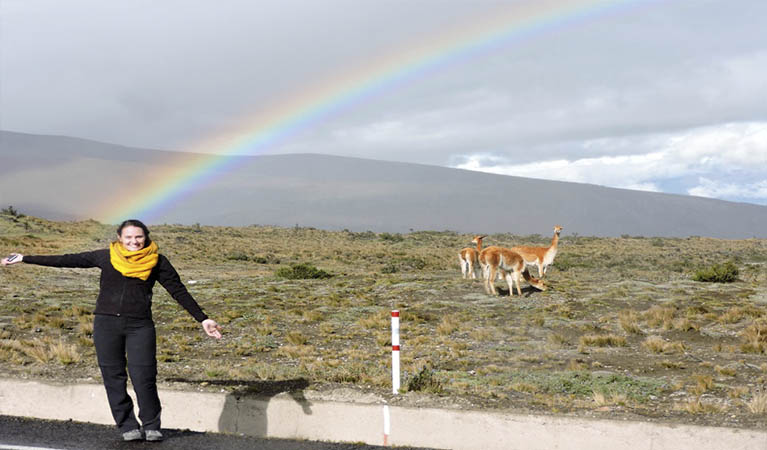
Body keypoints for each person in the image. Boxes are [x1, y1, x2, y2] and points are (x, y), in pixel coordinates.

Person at [1, 219, 223, 442]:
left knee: (144, 376)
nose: (134, 241)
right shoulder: (106, 256)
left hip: (140, 326)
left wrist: (203, 319)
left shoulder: (157, 261)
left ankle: (152, 425)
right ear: (120, 238)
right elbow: (67, 260)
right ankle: (127, 425)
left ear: (146, 237)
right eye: (128, 237)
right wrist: (24, 258)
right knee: (113, 377)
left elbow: (178, 291)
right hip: (106, 325)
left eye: (138, 237)